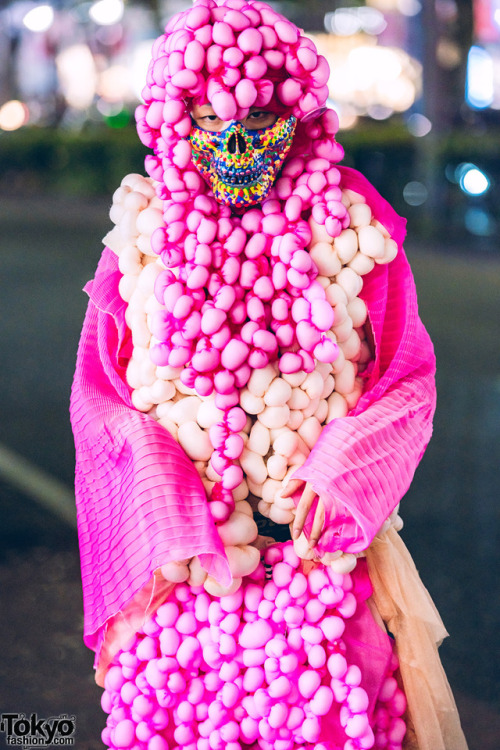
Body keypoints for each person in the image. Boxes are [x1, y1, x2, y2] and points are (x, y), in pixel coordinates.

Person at [70, 1, 469, 748]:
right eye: (211, 121)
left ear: (298, 118)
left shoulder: (353, 230)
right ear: (171, 120)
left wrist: (345, 471)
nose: (237, 145)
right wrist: (157, 480)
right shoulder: (139, 242)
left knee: (332, 720)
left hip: (321, 571)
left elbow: (408, 379)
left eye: (260, 125)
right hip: (180, 577)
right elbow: (100, 395)